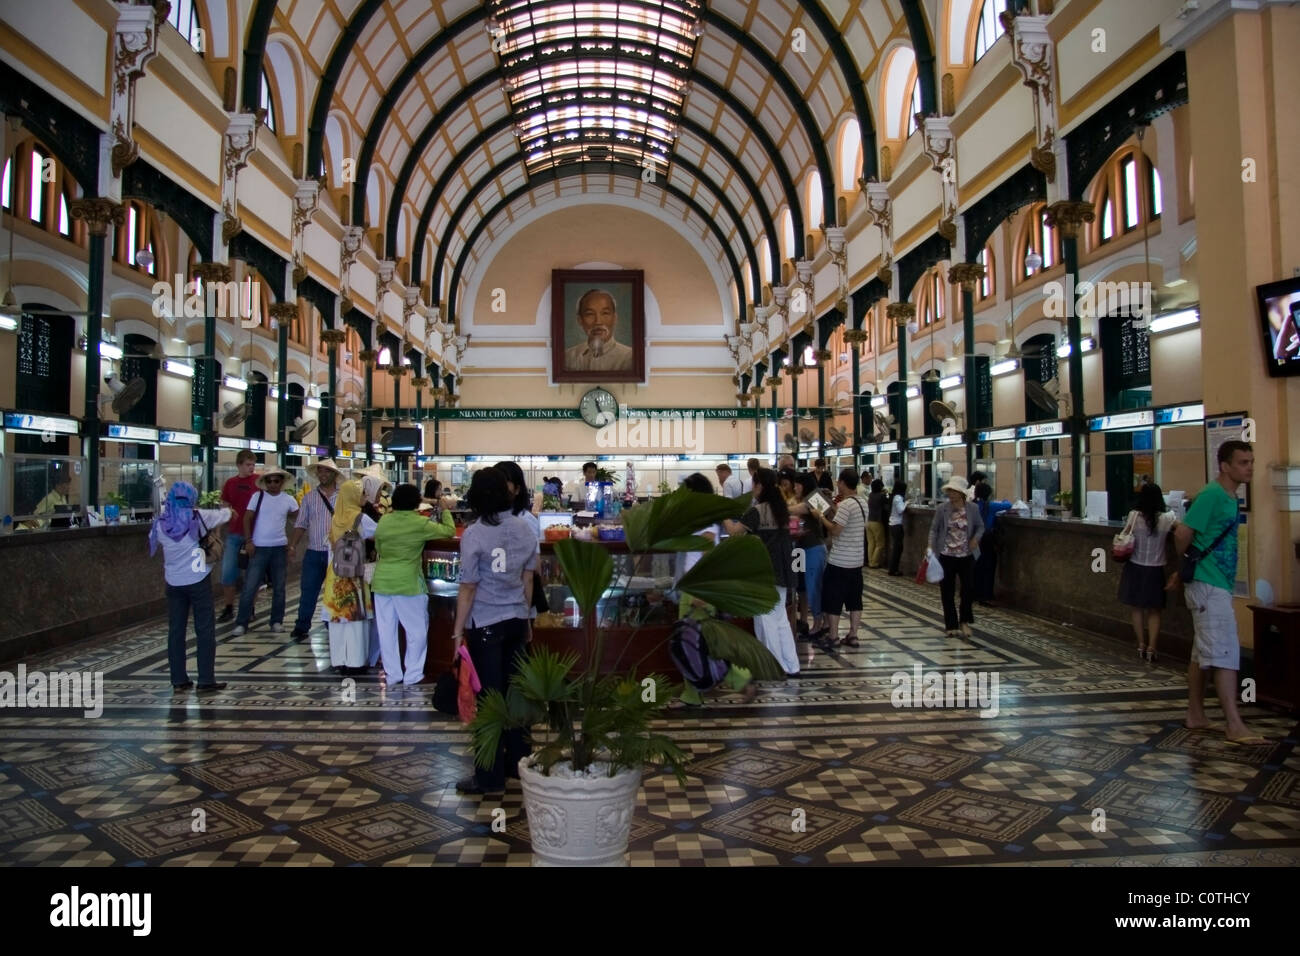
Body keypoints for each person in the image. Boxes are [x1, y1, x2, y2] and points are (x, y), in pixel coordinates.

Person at [1174, 440, 1266, 745]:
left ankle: (1196, 714)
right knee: (1225, 652)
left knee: (1202, 653)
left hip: (1215, 582)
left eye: (1251, 462)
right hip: (1209, 585)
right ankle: (1234, 724)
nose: (1249, 468)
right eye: (1242, 462)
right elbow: (1183, 532)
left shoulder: (1230, 497)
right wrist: (1187, 564)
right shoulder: (1213, 494)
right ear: (1225, 466)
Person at [453, 467, 538, 794]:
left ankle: (489, 777)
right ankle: (519, 762)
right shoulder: (525, 527)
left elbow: (468, 587)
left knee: (489, 700)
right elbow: (528, 579)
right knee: (516, 695)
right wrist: (526, 620)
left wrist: (457, 632)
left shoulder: (475, 533)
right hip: (517, 619)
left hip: (485, 624)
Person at [668, 473, 758, 707]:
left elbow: (708, 552)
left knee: (694, 641)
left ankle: (741, 680)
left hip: (698, 589)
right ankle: (695, 693)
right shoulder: (700, 517)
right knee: (695, 641)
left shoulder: (705, 520)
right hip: (694, 587)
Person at [149, 482, 229, 692]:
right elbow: (225, 515)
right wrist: (227, 509)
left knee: (176, 631)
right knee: (204, 629)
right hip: (198, 579)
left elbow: (157, 543)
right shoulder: (198, 517)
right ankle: (206, 679)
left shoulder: (160, 524)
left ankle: (179, 680)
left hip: (173, 582)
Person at [724, 468, 800, 676]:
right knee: (780, 618)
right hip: (783, 570)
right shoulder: (782, 509)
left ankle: (774, 667)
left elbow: (733, 532)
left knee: (766, 620)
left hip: (764, 572)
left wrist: (722, 514)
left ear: (759, 486)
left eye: (754, 485)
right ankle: (791, 665)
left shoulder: (757, 511)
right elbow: (793, 533)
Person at [372, 484, 449, 689]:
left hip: (382, 581)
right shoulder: (420, 523)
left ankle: (392, 674)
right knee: (416, 631)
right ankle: (413, 674)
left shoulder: (384, 521)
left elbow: (379, 547)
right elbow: (448, 531)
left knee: (386, 631)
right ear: (416, 502)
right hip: (408, 583)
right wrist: (445, 510)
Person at [321, 471, 384, 674]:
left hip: (335, 574)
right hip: (354, 574)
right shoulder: (360, 517)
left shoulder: (336, 517)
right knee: (355, 620)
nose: (365, 496)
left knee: (338, 619)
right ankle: (355, 662)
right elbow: (381, 533)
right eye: (362, 493)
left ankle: (339, 660)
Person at [232, 467, 298, 636]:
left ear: (281, 482)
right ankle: (242, 622)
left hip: (279, 547)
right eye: (269, 481)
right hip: (259, 547)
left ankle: (276, 621)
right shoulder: (257, 496)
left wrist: (291, 544)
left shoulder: (288, 500)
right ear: (264, 483)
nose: (272, 484)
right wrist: (249, 541)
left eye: (276, 481)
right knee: (250, 586)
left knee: (279, 587)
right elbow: (247, 518)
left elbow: (299, 519)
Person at [1118, 482, 1178, 663]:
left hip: (1135, 566)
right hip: (1156, 569)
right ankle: (1152, 646)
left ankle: (1141, 644)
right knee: (1155, 610)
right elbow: (1181, 529)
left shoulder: (1134, 515)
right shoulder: (1168, 517)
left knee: (1137, 608)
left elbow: (1124, 534)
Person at [810, 468, 867, 648]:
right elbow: (846, 521)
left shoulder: (846, 505)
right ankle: (853, 635)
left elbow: (835, 530)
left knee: (833, 598)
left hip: (840, 560)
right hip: (856, 560)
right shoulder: (862, 502)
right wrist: (831, 507)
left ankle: (833, 636)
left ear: (842, 483)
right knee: (855, 600)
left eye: (838, 481)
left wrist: (820, 516)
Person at [288, 458, 343, 642]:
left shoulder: (343, 496)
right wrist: (293, 545)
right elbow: (301, 523)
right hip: (314, 551)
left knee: (334, 591)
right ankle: (302, 625)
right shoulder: (310, 497)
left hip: (335, 552)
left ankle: (332, 623)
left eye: (327, 471)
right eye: (320, 471)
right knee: (308, 590)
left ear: (334, 474)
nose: (323, 474)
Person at [927, 476, 984, 638]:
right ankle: (951, 624)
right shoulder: (942, 509)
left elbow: (980, 526)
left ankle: (964, 620)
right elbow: (934, 529)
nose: (951, 494)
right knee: (947, 590)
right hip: (946, 554)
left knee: (968, 589)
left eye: (954, 491)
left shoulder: (972, 508)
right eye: (949, 491)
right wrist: (930, 546)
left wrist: (975, 539)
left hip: (966, 554)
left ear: (961, 493)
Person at [218, 451, 259, 621]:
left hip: (255, 535)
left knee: (253, 575)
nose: (251, 468)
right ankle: (228, 607)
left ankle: (250, 608)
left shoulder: (259, 482)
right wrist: (219, 530)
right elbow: (224, 506)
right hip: (234, 534)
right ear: (239, 465)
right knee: (228, 573)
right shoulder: (230, 483)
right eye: (248, 464)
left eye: (253, 464)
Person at [789, 472, 829, 645]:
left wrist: (778, 507)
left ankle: (819, 624)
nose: (795, 488)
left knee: (814, 588)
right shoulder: (801, 500)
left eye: (797, 485)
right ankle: (822, 622)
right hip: (803, 549)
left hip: (814, 549)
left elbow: (804, 509)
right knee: (807, 587)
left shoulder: (815, 497)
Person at [562, 289, 634, 371]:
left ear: (615, 318)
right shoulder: (568, 357)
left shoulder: (629, 357)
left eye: (605, 313)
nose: (598, 322)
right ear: (580, 320)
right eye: (590, 314)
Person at [866, 478, 888, 569]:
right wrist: (885, 493)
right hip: (877, 522)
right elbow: (886, 504)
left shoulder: (871, 495)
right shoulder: (881, 496)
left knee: (871, 543)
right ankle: (874, 563)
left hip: (868, 521)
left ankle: (870, 561)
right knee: (880, 544)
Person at [887, 479, 908, 576]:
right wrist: (906, 503)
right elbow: (900, 510)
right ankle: (893, 569)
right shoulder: (898, 498)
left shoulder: (894, 497)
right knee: (897, 548)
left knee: (897, 548)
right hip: (897, 525)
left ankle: (893, 568)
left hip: (893, 524)